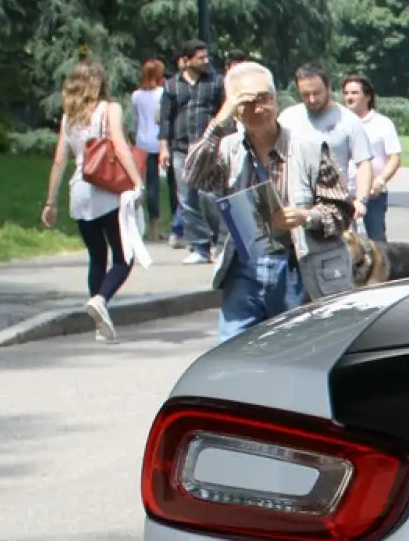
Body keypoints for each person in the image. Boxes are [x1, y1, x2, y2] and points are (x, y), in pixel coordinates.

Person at [180, 61, 355, 342]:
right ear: (234, 107)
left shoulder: (309, 148)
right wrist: (218, 123)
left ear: (275, 100)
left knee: (293, 353)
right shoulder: (227, 149)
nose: (258, 108)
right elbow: (192, 176)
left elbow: (342, 212)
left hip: (296, 266)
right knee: (231, 354)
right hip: (244, 267)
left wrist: (305, 217)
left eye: (265, 99)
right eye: (247, 102)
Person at [39, 58, 143, 341]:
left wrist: (50, 203)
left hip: (79, 193)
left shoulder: (68, 117)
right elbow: (120, 147)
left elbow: (59, 161)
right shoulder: (109, 109)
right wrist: (137, 182)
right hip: (106, 191)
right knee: (125, 257)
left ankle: (100, 324)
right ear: (99, 83)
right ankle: (101, 300)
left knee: (97, 258)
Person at [157, 39, 225, 262]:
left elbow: (223, 113)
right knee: (186, 199)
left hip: (208, 148)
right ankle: (199, 247)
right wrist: (164, 148)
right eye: (201, 57)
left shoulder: (215, 83)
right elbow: (166, 119)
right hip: (180, 149)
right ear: (186, 61)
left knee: (209, 196)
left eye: (207, 57)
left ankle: (219, 242)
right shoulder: (171, 86)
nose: (206, 61)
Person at [280, 63, 373, 214]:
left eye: (317, 93)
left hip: (334, 206)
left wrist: (361, 200)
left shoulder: (348, 121)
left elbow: (364, 163)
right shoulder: (287, 118)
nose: (311, 99)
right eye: (305, 94)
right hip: (294, 205)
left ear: (328, 86)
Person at [341, 73, 401, 241]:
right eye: (346, 93)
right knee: (344, 240)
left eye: (354, 93)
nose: (349, 97)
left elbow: (394, 158)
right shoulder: (339, 123)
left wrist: (380, 181)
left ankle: (383, 267)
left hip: (373, 194)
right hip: (344, 194)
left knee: (376, 240)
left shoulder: (382, 124)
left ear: (367, 96)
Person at [130, 58, 166, 236]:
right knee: (155, 185)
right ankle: (156, 227)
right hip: (159, 142)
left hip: (142, 142)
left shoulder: (136, 95)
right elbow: (161, 117)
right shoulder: (162, 93)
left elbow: (135, 120)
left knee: (143, 185)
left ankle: (140, 222)